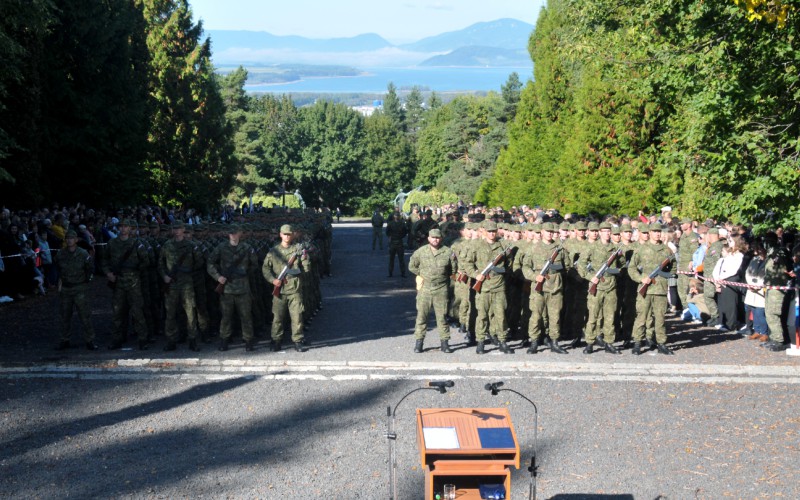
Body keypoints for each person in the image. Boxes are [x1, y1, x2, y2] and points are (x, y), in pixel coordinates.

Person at [464, 220, 514, 354]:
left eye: (494, 231)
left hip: (499, 285)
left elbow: (509, 263)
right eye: (489, 231)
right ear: (484, 232)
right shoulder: (476, 246)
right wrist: (476, 275)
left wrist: (502, 271)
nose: (492, 234)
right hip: (484, 286)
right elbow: (468, 264)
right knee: (482, 315)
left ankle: (502, 341)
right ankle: (480, 342)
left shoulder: (502, 245)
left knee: (501, 315)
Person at [207, 224, 259, 352]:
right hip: (227, 288)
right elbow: (210, 262)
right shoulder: (221, 247)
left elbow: (254, 264)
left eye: (235, 233)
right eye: (231, 233)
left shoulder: (247, 248)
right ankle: (224, 340)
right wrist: (218, 277)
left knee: (246, 316)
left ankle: (248, 340)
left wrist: (245, 274)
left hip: (243, 288)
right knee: (226, 316)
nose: (233, 235)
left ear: (240, 233)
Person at [103, 219, 150, 350]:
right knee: (118, 312)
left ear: (130, 229)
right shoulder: (112, 243)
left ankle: (142, 339)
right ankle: (116, 339)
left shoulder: (136, 243)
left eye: (126, 226)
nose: (123, 229)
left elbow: (145, 261)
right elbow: (104, 260)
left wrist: (136, 271)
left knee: (137, 311)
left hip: (133, 282)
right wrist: (108, 273)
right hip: (118, 281)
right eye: (121, 226)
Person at [628, 224, 675, 355]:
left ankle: (661, 343)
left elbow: (674, 266)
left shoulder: (666, 250)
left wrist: (667, 276)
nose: (657, 234)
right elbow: (631, 268)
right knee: (641, 317)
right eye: (654, 231)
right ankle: (637, 342)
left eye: (659, 231)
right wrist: (641, 278)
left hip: (660, 289)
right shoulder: (641, 249)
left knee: (660, 318)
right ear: (649, 232)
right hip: (646, 288)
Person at [523, 222, 569, 354]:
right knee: (536, 315)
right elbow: (525, 266)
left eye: (551, 231)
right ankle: (534, 342)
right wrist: (534, 276)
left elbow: (567, 266)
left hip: (555, 287)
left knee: (555, 316)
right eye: (547, 231)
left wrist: (558, 276)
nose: (549, 233)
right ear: (542, 232)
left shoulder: (559, 249)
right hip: (539, 287)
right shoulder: (533, 248)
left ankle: (554, 342)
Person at [262, 224, 310, 352]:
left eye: (289, 234)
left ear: (292, 235)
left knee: (297, 316)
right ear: (280, 235)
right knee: (277, 317)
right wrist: (273, 280)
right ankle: (276, 340)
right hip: (280, 289)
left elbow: (306, 269)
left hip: (294, 289)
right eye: (285, 234)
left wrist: (305, 257)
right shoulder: (273, 251)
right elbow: (265, 268)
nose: (287, 236)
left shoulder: (298, 250)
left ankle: (298, 340)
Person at [578, 222, 625, 354]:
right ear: (599, 232)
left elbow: (622, 264)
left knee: (610, 316)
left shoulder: (615, 249)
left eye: (609, 231)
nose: (607, 233)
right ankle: (589, 342)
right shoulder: (592, 247)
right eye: (604, 231)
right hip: (596, 285)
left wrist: (616, 271)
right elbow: (581, 264)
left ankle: (609, 342)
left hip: (611, 285)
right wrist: (589, 276)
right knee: (593, 316)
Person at [408, 228, 456, 353]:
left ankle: (444, 343)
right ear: (429, 238)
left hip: (441, 289)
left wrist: (443, 277)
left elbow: (453, 270)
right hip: (425, 288)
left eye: (438, 237)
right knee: (422, 317)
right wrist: (422, 274)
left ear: (441, 238)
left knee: (442, 317)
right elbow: (412, 266)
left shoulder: (448, 252)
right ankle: (419, 342)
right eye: (433, 237)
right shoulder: (421, 251)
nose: (435, 240)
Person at [159, 222, 200, 352]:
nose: (176, 231)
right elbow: (160, 263)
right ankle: (171, 340)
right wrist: (164, 276)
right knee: (170, 312)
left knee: (190, 312)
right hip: (171, 283)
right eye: (174, 228)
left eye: (179, 228)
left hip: (187, 283)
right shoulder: (167, 245)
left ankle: (192, 339)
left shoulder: (191, 246)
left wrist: (189, 272)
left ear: (183, 230)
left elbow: (199, 262)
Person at [55, 229, 97, 350]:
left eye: (71, 238)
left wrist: (86, 281)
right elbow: (58, 268)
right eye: (67, 238)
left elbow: (90, 268)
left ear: (76, 240)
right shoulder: (60, 254)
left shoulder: (83, 254)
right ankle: (64, 339)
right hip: (66, 289)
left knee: (85, 316)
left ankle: (90, 340)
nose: (69, 240)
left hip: (79, 287)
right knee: (64, 316)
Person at [385, 211, 408, 277]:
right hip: (395, 242)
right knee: (394, 259)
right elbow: (387, 232)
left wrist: (397, 236)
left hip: (397, 242)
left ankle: (399, 273)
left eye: (397, 215)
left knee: (398, 259)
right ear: (394, 216)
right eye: (396, 215)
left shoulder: (400, 223)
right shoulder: (394, 223)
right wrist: (393, 236)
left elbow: (405, 232)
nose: (397, 217)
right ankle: (392, 273)